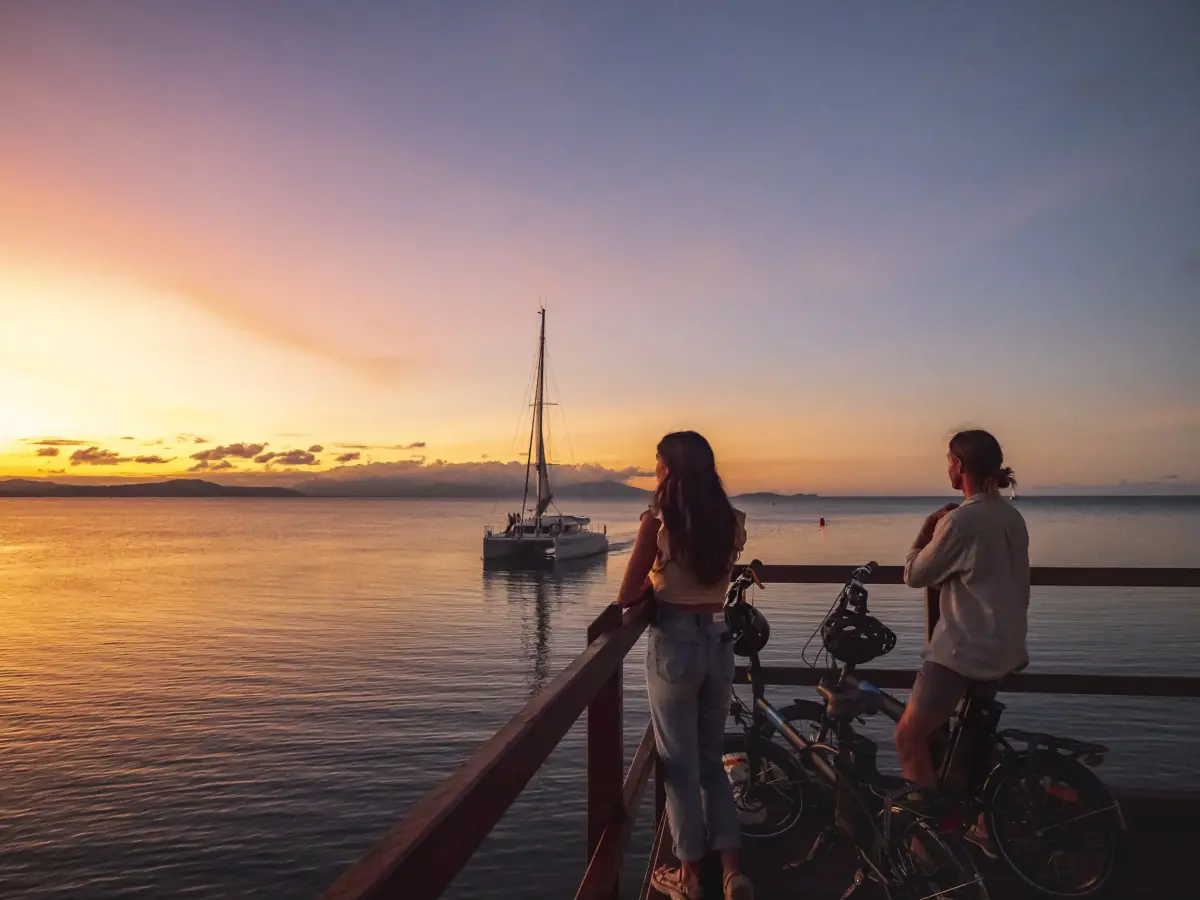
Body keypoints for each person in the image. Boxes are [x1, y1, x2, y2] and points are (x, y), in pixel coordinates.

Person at [618, 431, 753, 900]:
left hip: (674, 643)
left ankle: (691, 878)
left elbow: (626, 596)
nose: (654, 470)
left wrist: (657, 584)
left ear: (669, 469)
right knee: (711, 760)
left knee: (678, 765)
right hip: (718, 642)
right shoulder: (731, 522)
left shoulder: (657, 523)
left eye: (657, 463)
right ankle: (734, 872)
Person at [897, 429, 1029, 852]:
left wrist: (928, 528)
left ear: (958, 464)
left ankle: (925, 841)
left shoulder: (961, 520)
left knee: (909, 737)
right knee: (969, 742)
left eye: (948, 460)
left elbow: (915, 575)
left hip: (962, 652)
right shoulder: (1010, 516)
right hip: (1005, 647)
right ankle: (983, 826)